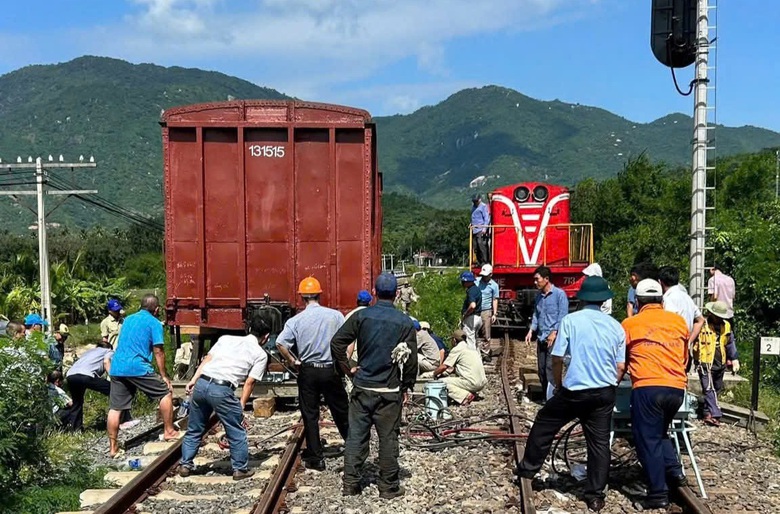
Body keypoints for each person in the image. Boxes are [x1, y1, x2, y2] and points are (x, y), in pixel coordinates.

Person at [517, 276, 625, 512]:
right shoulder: (616, 326)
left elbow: (557, 358)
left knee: (545, 423)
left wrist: (558, 384)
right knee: (598, 443)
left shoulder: (571, 321)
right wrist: (610, 386)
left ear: (582, 298)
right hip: (604, 393)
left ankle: (528, 469)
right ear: (604, 299)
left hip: (575, 390)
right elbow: (620, 367)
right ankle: (595, 496)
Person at [331, 272, 418, 499]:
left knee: (356, 436)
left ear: (374, 293)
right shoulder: (405, 322)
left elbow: (337, 343)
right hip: (389, 391)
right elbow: (411, 360)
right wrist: (407, 386)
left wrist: (347, 368)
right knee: (388, 438)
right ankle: (388, 487)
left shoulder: (362, 317)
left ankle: (350, 484)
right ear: (397, 294)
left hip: (363, 388)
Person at [620, 279, 689, 509]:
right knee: (660, 432)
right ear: (661, 299)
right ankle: (675, 472)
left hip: (648, 388)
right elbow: (685, 358)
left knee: (646, 439)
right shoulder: (679, 322)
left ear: (638, 301)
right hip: (676, 389)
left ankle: (658, 493)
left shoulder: (630, 324)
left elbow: (623, 361)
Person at [178, 313, 271, 480]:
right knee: (236, 430)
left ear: (248, 329)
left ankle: (185, 464)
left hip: (202, 384)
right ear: (266, 337)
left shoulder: (225, 339)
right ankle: (239, 469)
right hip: (222, 389)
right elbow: (249, 382)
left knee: (194, 428)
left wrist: (193, 380)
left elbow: (207, 359)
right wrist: (241, 403)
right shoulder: (260, 354)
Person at [276, 276, 349, 471]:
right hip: (330, 368)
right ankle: (353, 446)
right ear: (319, 294)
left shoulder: (296, 320)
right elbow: (348, 340)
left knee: (310, 414)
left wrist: (293, 361)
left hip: (308, 370)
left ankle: (316, 458)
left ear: (301, 298)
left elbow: (280, 343)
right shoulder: (335, 316)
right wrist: (344, 363)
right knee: (341, 409)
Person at [107, 294, 178, 457]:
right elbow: (158, 351)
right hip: (137, 366)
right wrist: (164, 375)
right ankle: (169, 431)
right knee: (165, 392)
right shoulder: (154, 323)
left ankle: (113, 448)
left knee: (115, 408)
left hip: (117, 366)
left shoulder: (128, 320)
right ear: (157, 309)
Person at [65, 340, 133, 431]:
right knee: (116, 392)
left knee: (77, 402)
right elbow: (106, 362)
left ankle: (75, 429)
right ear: (109, 347)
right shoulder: (108, 351)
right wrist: (114, 379)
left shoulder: (88, 352)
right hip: (86, 375)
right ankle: (124, 420)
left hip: (71, 375)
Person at [524, 266, 568, 400]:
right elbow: (536, 315)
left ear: (546, 279)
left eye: (537, 279)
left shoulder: (560, 295)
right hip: (541, 338)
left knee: (551, 370)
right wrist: (531, 330)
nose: (535, 282)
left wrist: (555, 332)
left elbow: (563, 316)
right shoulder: (539, 297)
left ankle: (553, 399)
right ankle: (545, 397)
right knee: (542, 370)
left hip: (554, 340)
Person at [693, 301, 739, 427]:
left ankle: (707, 413)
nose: (719, 318)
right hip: (705, 361)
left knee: (716, 388)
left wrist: (733, 359)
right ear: (711, 313)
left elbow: (730, 343)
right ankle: (715, 414)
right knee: (708, 388)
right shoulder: (702, 325)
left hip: (720, 362)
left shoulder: (727, 326)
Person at [433, 329, 487, 406]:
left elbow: (444, 366)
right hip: (482, 382)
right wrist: (447, 373)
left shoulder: (457, 349)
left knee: (441, 382)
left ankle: (465, 396)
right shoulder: (471, 348)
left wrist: (434, 374)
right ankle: (471, 392)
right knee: (456, 379)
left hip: (473, 383)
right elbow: (460, 368)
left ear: (454, 340)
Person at [658, 265, 705, 346]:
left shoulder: (667, 299)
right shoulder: (687, 298)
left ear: (659, 282)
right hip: (684, 347)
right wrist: (689, 342)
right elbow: (700, 320)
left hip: (672, 347)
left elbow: (669, 323)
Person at [477, 264, 499, 354]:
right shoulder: (476, 281)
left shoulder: (494, 285)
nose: (484, 277)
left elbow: (494, 299)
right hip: (476, 310)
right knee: (473, 331)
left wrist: (495, 313)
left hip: (486, 310)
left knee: (486, 332)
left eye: (486, 275)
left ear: (491, 274)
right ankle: (475, 350)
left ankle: (485, 351)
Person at [459, 271, 483, 351]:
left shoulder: (471, 291)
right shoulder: (476, 289)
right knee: (475, 340)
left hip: (471, 318)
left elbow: (473, 305)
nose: (462, 283)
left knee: (470, 341)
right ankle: (478, 359)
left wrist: (465, 314)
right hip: (478, 317)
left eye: (463, 281)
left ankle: (471, 360)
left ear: (467, 281)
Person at [471, 193, 491, 266]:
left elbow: (486, 218)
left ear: (479, 200)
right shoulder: (473, 207)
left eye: (476, 201)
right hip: (474, 229)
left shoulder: (483, 206)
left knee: (481, 245)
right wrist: (471, 224)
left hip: (480, 229)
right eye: (474, 201)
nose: (475, 202)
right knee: (475, 247)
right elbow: (473, 217)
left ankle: (485, 262)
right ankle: (479, 262)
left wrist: (484, 229)